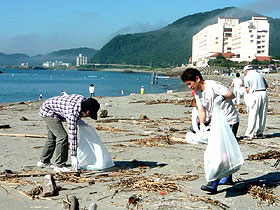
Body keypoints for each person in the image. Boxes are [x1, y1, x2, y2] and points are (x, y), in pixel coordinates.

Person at [181, 68, 239, 194]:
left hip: (229, 121)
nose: (190, 87)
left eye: (190, 83)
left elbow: (232, 94)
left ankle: (213, 183)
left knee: (219, 151)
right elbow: (201, 111)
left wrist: (222, 98)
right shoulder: (198, 93)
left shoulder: (213, 86)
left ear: (197, 79)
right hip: (216, 123)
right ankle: (227, 176)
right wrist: (202, 125)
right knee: (223, 151)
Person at [37, 94, 100, 172]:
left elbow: (78, 113)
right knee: (62, 137)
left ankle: (43, 161)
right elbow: (72, 134)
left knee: (52, 137)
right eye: (90, 113)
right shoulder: (72, 113)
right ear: (87, 110)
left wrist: (80, 121)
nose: (89, 116)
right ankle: (59, 165)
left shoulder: (82, 102)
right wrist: (74, 155)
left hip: (53, 108)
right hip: (48, 112)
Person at [243, 66, 268, 139]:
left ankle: (249, 133)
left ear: (246, 71)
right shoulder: (259, 74)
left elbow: (247, 89)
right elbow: (266, 85)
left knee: (253, 114)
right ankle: (259, 133)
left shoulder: (247, 76)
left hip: (255, 94)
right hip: (264, 93)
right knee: (262, 114)